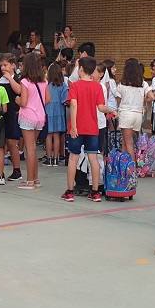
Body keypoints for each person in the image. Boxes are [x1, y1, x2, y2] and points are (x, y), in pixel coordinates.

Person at [62, 57, 113, 202]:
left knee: (73, 158)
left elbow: (73, 105)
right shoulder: (97, 86)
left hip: (77, 128)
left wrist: (73, 126)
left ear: (81, 69)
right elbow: (101, 107)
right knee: (93, 158)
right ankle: (95, 191)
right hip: (92, 128)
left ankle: (70, 191)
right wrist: (111, 110)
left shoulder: (75, 86)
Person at [11, 52, 47, 188]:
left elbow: (24, 102)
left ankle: (30, 180)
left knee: (29, 149)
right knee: (33, 149)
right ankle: (35, 178)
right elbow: (47, 99)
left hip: (27, 117)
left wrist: (17, 100)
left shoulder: (25, 81)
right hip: (40, 117)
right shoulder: (44, 81)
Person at [115, 58, 150, 159]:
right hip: (138, 115)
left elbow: (118, 99)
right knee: (126, 142)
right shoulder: (143, 83)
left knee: (128, 142)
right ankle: (123, 166)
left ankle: (131, 169)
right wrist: (143, 101)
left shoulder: (122, 83)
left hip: (126, 114)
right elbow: (151, 96)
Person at [44, 62, 68, 167]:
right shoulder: (63, 85)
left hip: (48, 111)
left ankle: (49, 158)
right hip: (59, 111)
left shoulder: (46, 85)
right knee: (57, 135)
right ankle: (56, 158)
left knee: (48, 135)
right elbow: (65, 100)